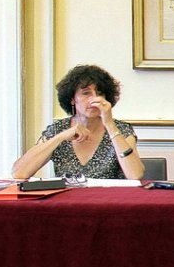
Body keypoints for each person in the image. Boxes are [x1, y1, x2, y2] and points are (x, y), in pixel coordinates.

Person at [12, 65, 144, 181]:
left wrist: (109, 124)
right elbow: (19, 173)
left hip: (109, 203)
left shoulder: (121, 129)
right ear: (72, 99)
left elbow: (135, 175)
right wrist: (60, 137)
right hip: (66, 204)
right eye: (86, 93)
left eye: (100, 93)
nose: (94, 99)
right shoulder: (58, 129)